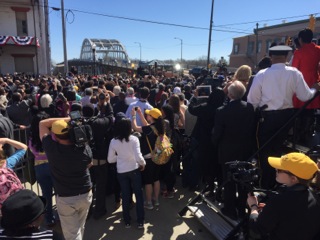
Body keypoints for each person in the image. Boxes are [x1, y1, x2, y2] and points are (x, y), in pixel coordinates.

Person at [247, 45, 320, 190]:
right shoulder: (294, 73)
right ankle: (277, 181)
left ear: (271, 56)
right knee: (278, 149)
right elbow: (305, 96)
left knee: (264, 150)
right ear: (286, 57)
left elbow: (252, 100)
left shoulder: (262, 74)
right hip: (286, 118)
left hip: (267, 117)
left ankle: (265, 183)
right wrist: (314, 89)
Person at [39, 118, 93, 240]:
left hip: (66, 198)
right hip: (85, 193)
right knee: (80, 227)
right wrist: (73, 119)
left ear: (55, 135)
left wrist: (67, 118)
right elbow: (89, 164)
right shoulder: (83, 148)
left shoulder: (51, 148)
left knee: (72, 234)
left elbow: (42, 123)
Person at [247, 153, 320, 240]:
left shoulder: (278, 202)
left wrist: (253, 206)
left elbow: (257, 228)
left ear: (293, 178)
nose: (275, 169)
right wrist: (270, 211)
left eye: (279, 170)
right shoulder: (314, 196)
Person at [212, 81, 255, 219]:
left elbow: (217, 134)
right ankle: (242, 209)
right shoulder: (249, 108)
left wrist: (215, 144)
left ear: (229, 94)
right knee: (243, 181)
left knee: (229, 181)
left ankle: (230, 210)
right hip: (245, 150)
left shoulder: (221, 111)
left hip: (227, 151)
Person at [108, 118, 146, 229]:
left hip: (121, 171)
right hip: (134, 169)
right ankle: (140, 221)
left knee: (125, 195)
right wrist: (142, 164)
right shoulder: (134, 139)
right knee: (139, 195)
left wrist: (120, 157)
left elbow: (110, 160)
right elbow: (138, 156)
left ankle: (127, 221)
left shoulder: (113, 141)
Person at [131, 107, 164, 210]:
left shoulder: (148, 129)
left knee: (148, 181)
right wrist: (141, 114)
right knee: (156, 179)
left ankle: (149, 202)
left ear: (152, 117)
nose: (147, 115)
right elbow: (147, 126)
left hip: (149, 158)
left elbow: (135, 127)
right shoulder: (159, 127)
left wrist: (134, 115)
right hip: (158, 157)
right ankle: (156, 200)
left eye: (148, 114)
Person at [292, 28, 320, 143]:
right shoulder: (318, 50)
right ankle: (308, 133)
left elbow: (294, 70)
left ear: (300, 39)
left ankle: (299, 136)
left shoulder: (299, 52)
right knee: (310, 111)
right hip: (314, 84)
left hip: (301, 84)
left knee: (299, 112)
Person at [29, 111, 55, 227]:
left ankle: (49, 219)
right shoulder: (52, 135)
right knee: (59, 193)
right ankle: (61, 217)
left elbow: (32, 151)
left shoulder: (31, 138)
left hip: (39, 167)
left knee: (46, 195)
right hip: (53, 165)